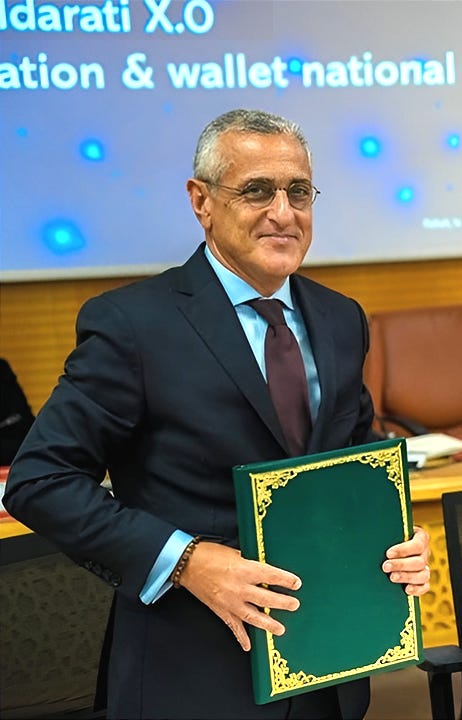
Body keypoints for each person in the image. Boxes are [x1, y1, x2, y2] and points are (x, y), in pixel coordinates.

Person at [2, 109, 432, 719]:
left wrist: (397, 539)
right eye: (257, 191)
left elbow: (355, 470)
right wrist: (184, 560)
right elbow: (40, 481)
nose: (283, 213)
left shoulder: (341, 318)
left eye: (299, 191)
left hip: (327, 668)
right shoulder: (133, 324)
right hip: (194, 674)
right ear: (201, 201)